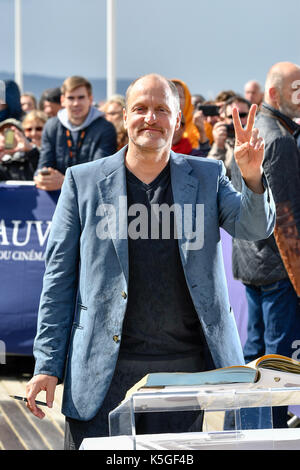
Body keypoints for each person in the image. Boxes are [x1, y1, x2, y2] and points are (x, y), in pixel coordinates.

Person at [25, 73, 275, 449]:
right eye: (140, 109)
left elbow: (254, 227)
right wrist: (47, 364)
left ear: (177, 120)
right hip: (101, 372)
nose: (150, 118)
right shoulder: (83, 181)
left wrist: (252, 176)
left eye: (162, 110)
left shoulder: (208, 175)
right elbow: (58, 278)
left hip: (183, 374)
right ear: (124, 117)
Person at [230, 61, 300, 428]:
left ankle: (245, 428)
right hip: (277, 269)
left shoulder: (253, 130)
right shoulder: (281, 140)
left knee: (254, 356)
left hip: (250, 264)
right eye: (296, 89)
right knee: (278, 361)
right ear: (274, 94)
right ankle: (269, 431)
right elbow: (286, 220)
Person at [34, 76, 117, 191]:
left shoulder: (105, 128)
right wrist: (42, 177)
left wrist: (65, 181)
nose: (76, 103)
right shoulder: (51, 126)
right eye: (71, 98)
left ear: (90, 99)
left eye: (81, 97)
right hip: (56, 199)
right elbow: (44, 165)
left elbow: (101, 172)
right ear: (63, 100)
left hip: (92, 198)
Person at [208, 95, 250, 177]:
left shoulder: (260, 138)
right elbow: (210, 173)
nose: (237, 120)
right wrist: (218, 146)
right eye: (232, 116)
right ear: (225, 119)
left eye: (242, 115)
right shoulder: (223, 141)